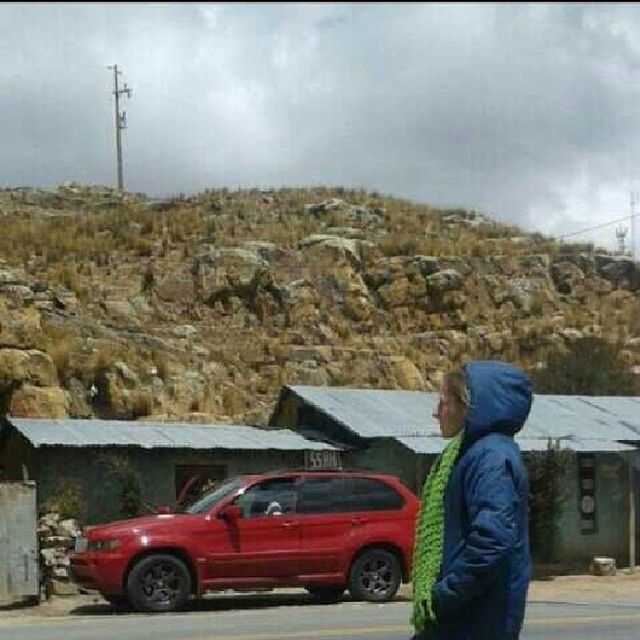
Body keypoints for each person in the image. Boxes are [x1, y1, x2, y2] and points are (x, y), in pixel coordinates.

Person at [411, 361, 533, 640]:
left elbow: (492, 540)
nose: (435, 412)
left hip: (475, 622)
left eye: (443, 402)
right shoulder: (469, 454)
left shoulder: (490, 459)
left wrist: (445, 594)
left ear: (467, 406)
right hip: (460, 620)